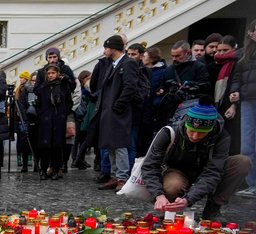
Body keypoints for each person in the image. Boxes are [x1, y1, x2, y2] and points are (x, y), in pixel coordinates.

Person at [141, 98, 251, 221]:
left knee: (241, 162)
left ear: (210, 130)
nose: (194, 136)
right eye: (192, 130)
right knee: (173, 186)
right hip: (176, 170)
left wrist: (189, 199)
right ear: (186, 124)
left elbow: (213, 172)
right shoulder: (169, 132)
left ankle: (212, 209)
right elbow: (149, 166)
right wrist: (158, 195)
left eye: (201, 133)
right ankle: (170, 207)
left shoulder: (221, 137)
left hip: (205, 169)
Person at [94, 35, 141, 191]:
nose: (104, 51)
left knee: (120, 145)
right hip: (109, 111)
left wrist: (119, 105)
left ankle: (122, 177)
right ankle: (115, 176)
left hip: (118, 111)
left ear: (113, 48)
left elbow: (130, 87)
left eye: (106, 48)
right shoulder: (113, 64)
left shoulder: (128, 64)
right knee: (110, 145)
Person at [230, 19, 256, 197]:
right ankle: (252, 183)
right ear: (251, 33)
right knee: (247, 145)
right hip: (247, 101)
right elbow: (237, 77)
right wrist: (234, 92)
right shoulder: (244, 55)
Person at [34, 64, 73, 180]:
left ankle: (56, 169)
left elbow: (69, 102)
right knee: (45, 146)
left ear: (58, 74)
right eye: (49, 73)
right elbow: (38, 103)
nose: (51, 75)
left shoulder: (64, 86)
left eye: (53, 73)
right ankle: (44, 169)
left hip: (58, 119)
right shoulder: (43, 87)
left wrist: (63, 113)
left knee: (57, 145)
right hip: (45, 120)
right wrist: (41, 114)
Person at [212, 35, 240, 155]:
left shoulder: (240, 62)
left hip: (233, 105)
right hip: (217, 105)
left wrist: (234, 104)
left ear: (234, 48)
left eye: (225, 50)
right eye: (219, 50)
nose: (221, 53)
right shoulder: (214, 64)